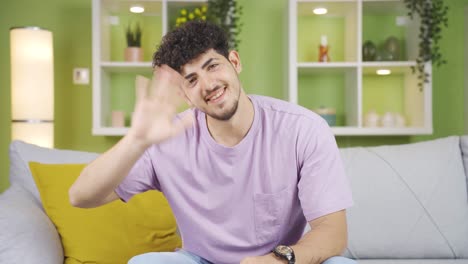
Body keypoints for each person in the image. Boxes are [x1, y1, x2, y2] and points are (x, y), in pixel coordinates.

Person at [69, 21, 355, 264]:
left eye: (213, 66)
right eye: (192, 80)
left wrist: (279, 259)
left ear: (234, 62)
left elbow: (333, 232)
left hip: (280, 259)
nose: (207, 85)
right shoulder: (165, 137)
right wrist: (136, 139)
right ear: (184, 96)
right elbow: (80, 196)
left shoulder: (303, 129)